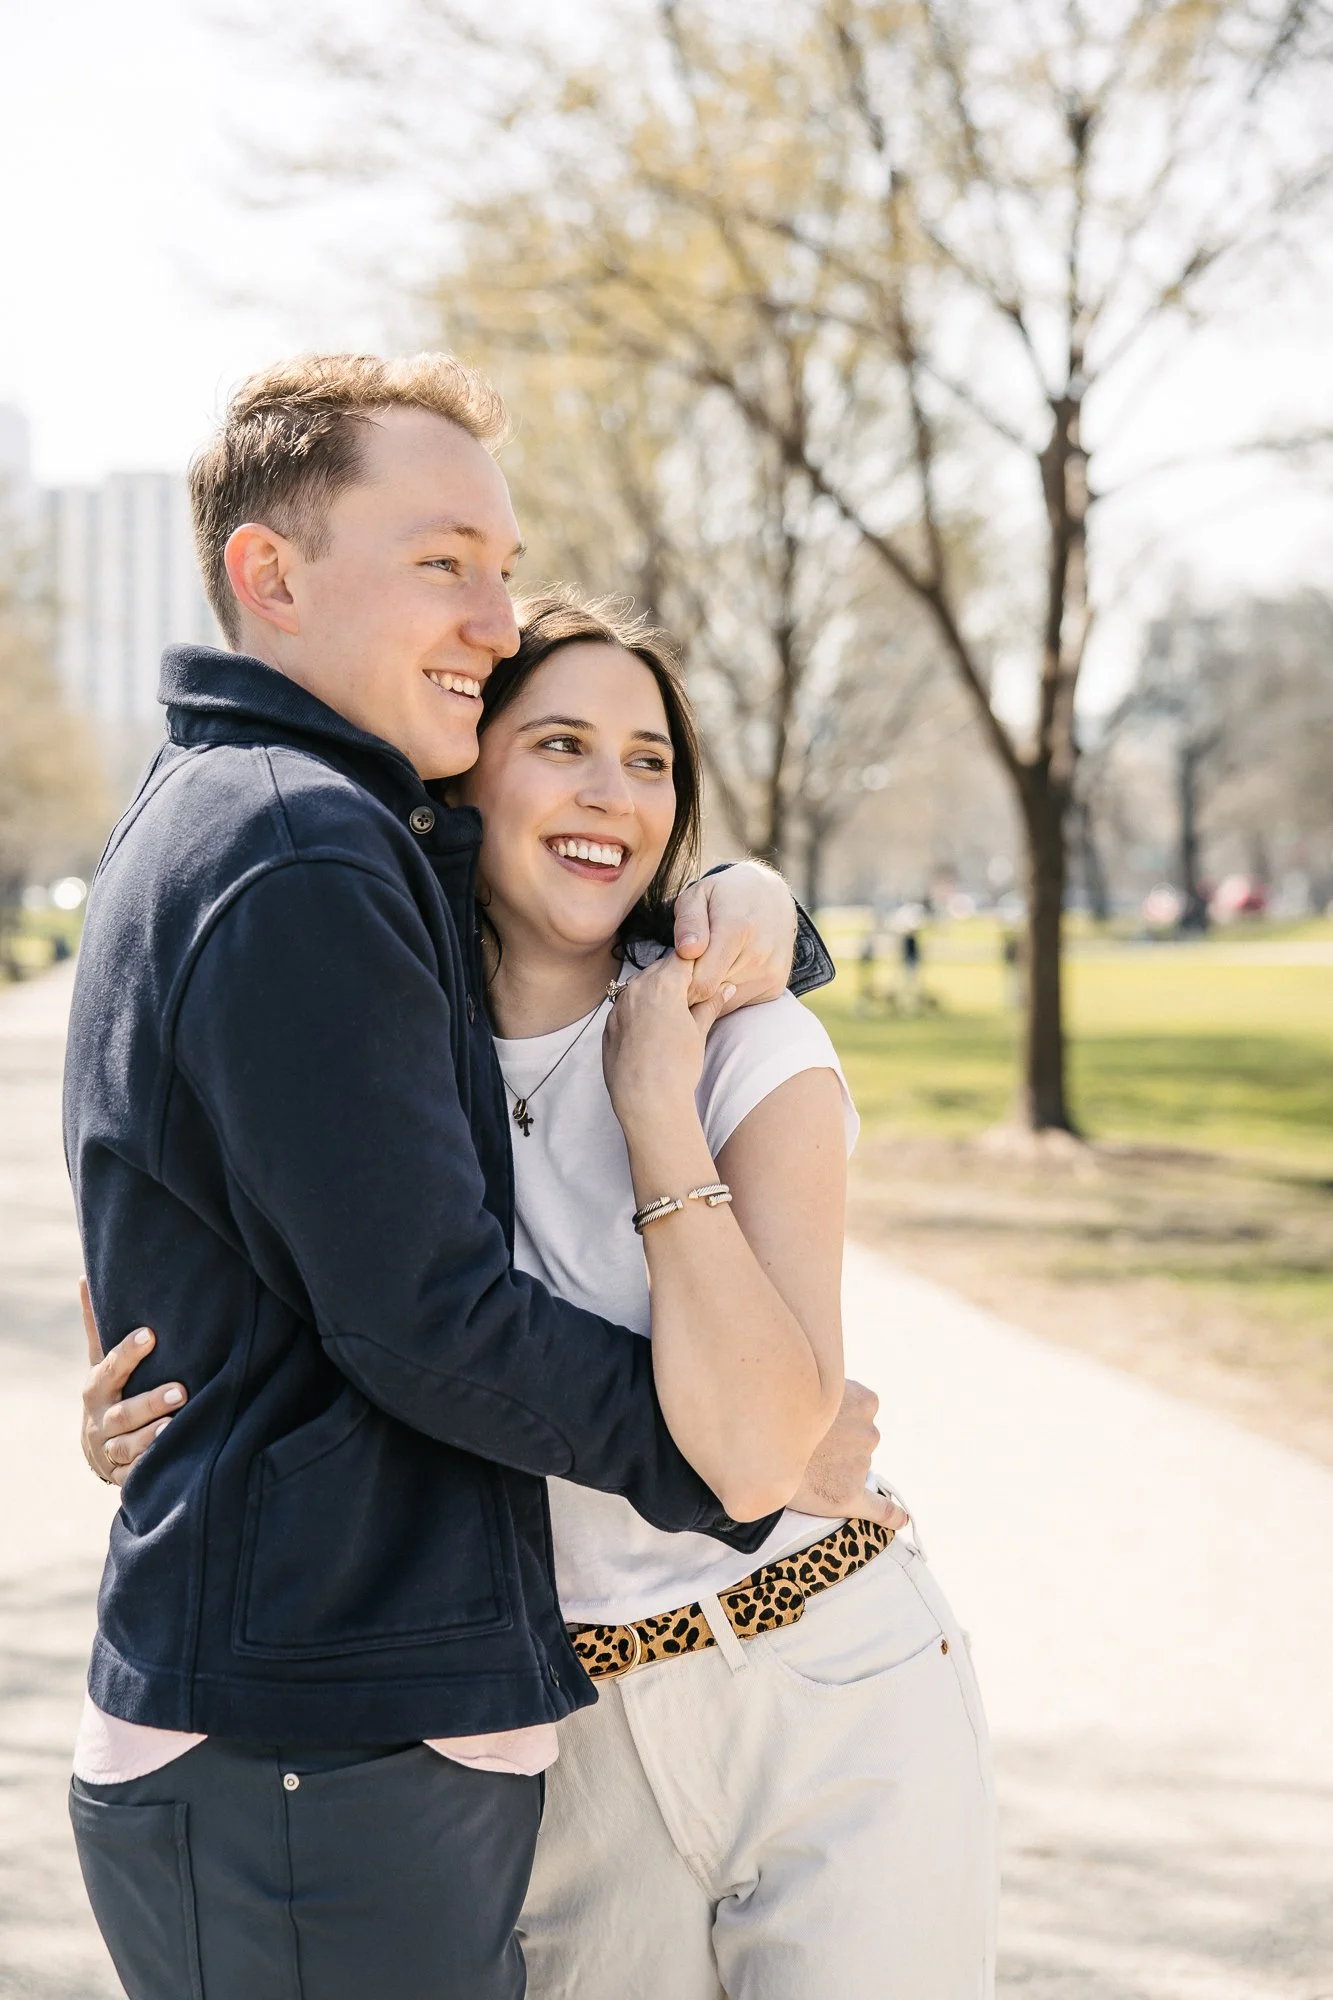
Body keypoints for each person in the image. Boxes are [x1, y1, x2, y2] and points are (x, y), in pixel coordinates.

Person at [85, 586, 998, 1996]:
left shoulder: (754, 1048)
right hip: (565, 1733)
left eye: (650, 760)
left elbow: (765, 1427)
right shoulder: (385, 1046)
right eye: (560, 742)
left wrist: (655, 1101)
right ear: (468, 772)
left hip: (829, 1684)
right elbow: (244, 1293)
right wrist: (134, 1413)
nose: (612, 793)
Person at [63, 353, 829, 2000]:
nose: (495, 611)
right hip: (307, 1748)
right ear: (269, 575)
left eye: (501, 561)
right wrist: (738, 1450)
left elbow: (558, 873)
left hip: (314, 1727)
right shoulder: (294, 845)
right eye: (442, 563)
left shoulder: (272, 813)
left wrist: (760, 903)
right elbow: (423, 1314)